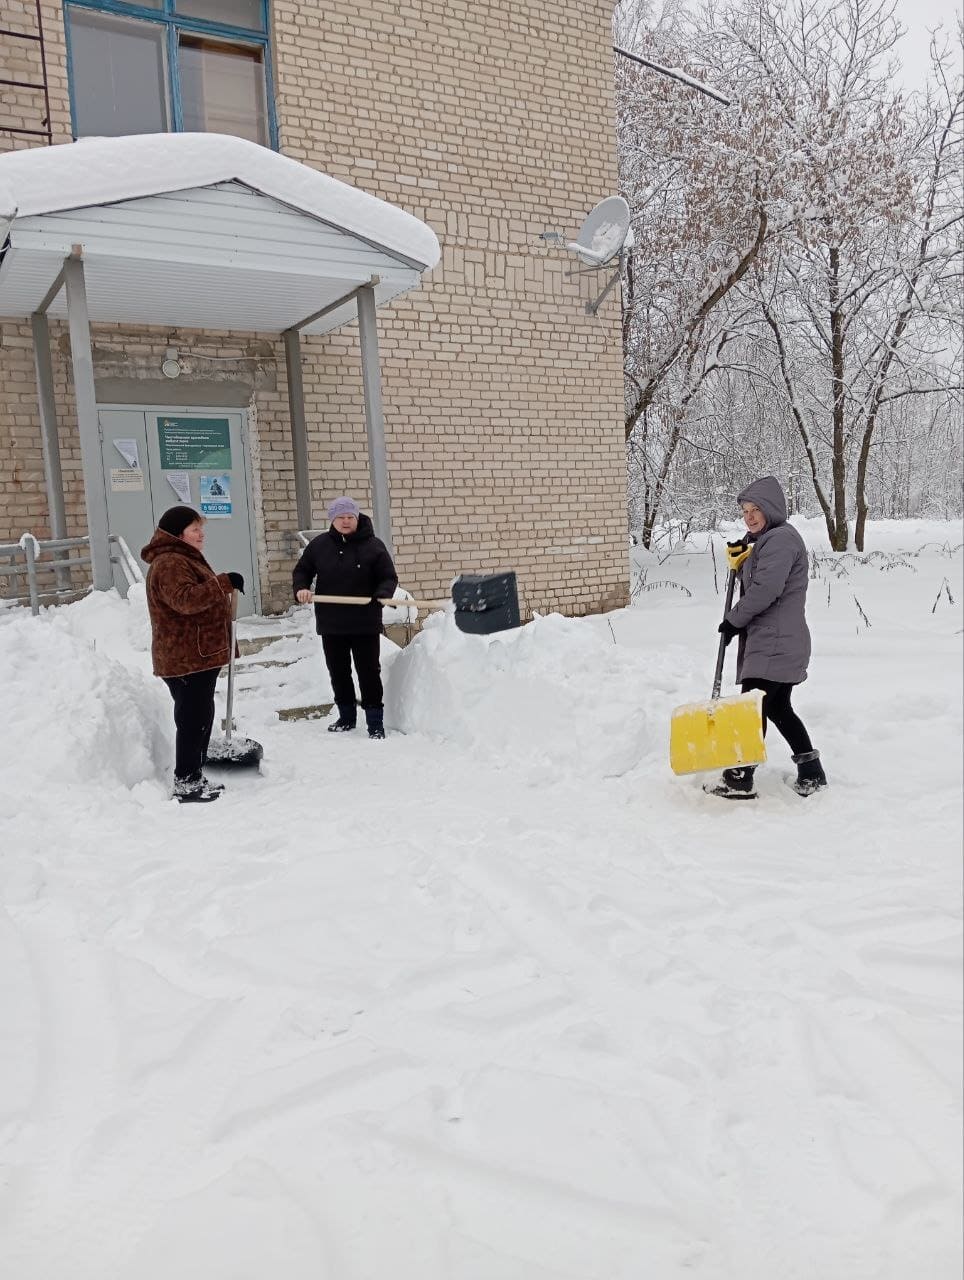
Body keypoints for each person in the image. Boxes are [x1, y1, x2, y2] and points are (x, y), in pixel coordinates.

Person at [708, 476, 828, 799]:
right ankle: (812, 773)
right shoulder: (770, 540)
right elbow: (762, 574)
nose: (749, 516)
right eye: (745, 511)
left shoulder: (780, 540)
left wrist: (733, 621)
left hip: (775, 643)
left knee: (753, 709)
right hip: (777, 641)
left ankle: (738, 778)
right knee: (777, 708)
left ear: (772, 509)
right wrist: (745, 552)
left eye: (756, 509)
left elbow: (765, 590)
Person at [141, 505, 245, 803]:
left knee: (200, 714)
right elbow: (185, 601)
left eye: (201, 528)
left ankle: (194, 775)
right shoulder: (170, 563)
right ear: (178, 533)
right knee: (192, 718)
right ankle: (186, 781)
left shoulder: (181, 558)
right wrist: (222, 583)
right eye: (195, 529)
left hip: (196, 655)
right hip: (186, 656)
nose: (202, 534)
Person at [292, 496, 398, 739]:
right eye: (341, 517)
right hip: (332, 622)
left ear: (357, 518)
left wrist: (383, 594)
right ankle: (347, 717)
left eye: (350, 516)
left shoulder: (374, 546)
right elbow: (302, 570)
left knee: (368, 672)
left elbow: (388, 577)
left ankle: (375, 722)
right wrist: (301, 588)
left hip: (364, 621)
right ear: (332, 519)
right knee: (338, 672)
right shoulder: (319, 545)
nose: (346, 521)